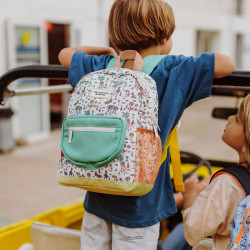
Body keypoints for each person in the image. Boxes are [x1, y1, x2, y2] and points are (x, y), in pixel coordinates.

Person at [58, 0, 235, 249]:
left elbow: (65, 54)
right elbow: (227, 64)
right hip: (140, 208)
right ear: (164, 37)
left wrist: (108, 50)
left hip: (95, 201)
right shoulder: (173, 70)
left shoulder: (101, 67)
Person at [182, 94, 250, 250]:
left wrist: (191, 194)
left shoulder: (227, 183)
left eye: (238, 118)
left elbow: (193, 230)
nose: (230, 117)